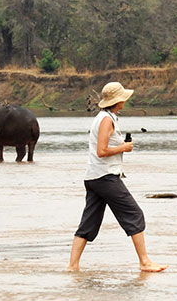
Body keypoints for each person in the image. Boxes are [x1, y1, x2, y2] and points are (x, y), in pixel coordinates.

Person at [67, 82, 168, 273]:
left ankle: (72, 267)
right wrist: (124, 147)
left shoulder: (104, 117)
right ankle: (144, 262)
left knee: (88, 222)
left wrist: (121, 146)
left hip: (94, 177)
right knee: (134, 214)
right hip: (105, 177)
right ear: (118, 101)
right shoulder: (106, 120)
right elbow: (102, 150)